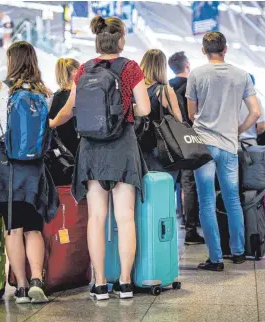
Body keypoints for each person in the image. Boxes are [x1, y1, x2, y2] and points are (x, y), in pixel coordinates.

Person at [49, 16, 150, 300]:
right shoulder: (130, 68)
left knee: (96, 217)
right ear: (120, 40)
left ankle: (101, 283)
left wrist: (50, 123)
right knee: (125, 217)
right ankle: (126, 283)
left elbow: (70, 109)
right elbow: (144, 109)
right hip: (122, 146)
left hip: (92, 148)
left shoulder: (83, 70)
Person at [0, 41, 59, 304]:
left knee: (13, 228)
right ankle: (36, 281)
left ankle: (20, 288)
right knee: (33, 228)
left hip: (6, 168)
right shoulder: (46, 93)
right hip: (34, 169)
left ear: (11, 62)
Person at [186, 31, 261, 271]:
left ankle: (216, 259)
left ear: (203, 50)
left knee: (206, 202)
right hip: (229, 145)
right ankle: (238, 252)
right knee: (232, 200)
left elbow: (190, 114)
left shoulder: (196, 74)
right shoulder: (242, 76)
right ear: (225, 49)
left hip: (204, 145)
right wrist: (237, 130)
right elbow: (256, 113)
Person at [168, 51, 204, 245]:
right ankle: (191, 230)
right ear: (187, 65)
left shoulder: (166, 86)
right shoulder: (193, 84)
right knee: (190, 184)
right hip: (191, 139)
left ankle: (165, 227)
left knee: (170, 184)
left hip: (169, 141)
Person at [139, 49, 183, 178]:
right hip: (160, 150)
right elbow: (179, 121)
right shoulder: (164, 90)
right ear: (162, 67)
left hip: (137, 150)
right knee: (162, 193)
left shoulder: (135, 90)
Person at [48, 58, 81, 154]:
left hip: (63, 149)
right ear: (75, 72)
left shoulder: (55, 97)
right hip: (80, 146)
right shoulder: (83, 94)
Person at [239, 74, 265, 145]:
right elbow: (261, 126)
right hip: (249, 142)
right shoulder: (255, 100)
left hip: (228, 143)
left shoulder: (228, 99)